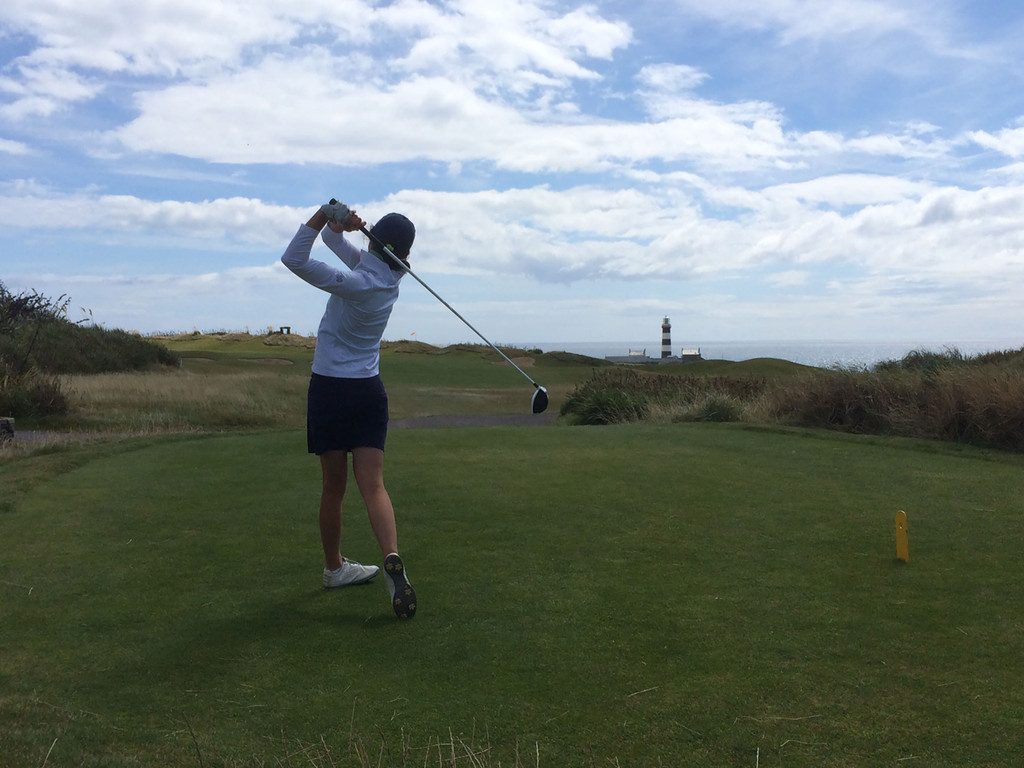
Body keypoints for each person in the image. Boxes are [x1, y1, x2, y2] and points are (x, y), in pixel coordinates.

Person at [280, 200, 417, 620]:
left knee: (333, 489)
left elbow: (294, 258)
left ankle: (335, 568)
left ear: (375, 243)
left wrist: (324, 212)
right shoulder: (390, 277)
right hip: (368, 393)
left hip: (329, 391)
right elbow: (334, 242)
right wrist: (347, 226)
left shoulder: (356, 281)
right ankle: (391, 555)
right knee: (373, 486)